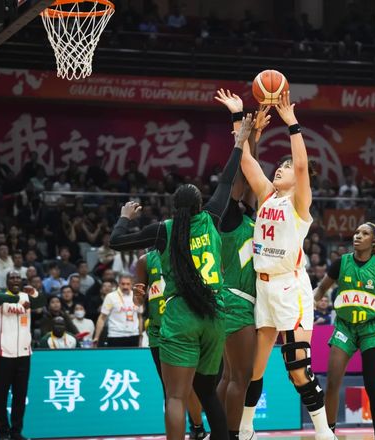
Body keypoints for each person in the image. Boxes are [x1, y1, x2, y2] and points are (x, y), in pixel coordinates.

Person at [108, 115, 253, 440]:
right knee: (208, 391)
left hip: (181, 314)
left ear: (174, 208)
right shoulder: (212, 218)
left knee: (175, 397)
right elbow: (227, 181)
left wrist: (124, 218)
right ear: (201, 204)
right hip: (214, 315)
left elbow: (117, 242)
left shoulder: (164, 231)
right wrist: (240, 140)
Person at [239, 91, 336, 440]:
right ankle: (246, 427)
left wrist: (292, 123)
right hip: (262, 286)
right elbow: (245, 160)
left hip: (289, 287)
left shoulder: (300, 203)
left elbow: (301, 166)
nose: (280, 169)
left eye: (286, 167)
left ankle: (324, 432)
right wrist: (243, 124)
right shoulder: (267, 195)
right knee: (254, 368)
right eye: (278, 166)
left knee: (297, 369)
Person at [214, 90, 269, 440]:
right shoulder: (227, 220)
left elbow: (252, 177)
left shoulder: (245, 218)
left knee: (229, 377)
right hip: (234, 302)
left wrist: (255, 138)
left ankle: (219, 433)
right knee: (240, 377)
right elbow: (239, 178)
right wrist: (240, 127)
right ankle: (232, 434)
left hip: (235, 301)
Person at [314, 222, 375, 438]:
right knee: (332, 382)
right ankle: (329, 434)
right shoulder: (341, 263)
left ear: (374, 241)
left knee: (372, 385)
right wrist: (310, 302)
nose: (358, 236)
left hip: (371, 329)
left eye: (364, 233)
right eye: (356, 232)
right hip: (345, 327)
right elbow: (321, 289)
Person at [133, 251, 207, 439]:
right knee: (171, 390)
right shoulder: (145, 261)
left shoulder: (186, 250)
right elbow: (138, 300)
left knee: (189, 386)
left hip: (184, 327)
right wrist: (137, 295)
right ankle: (193, 430)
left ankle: (198, 426)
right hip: (159, 331)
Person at [0, 270, 46, 440]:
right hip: (3, 354)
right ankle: (3, 433)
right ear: (7, 281)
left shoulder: (26, 296)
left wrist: (33, 292)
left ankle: (16, 432)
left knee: (20, 396)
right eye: (12, 278)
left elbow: (42, 301)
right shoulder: (1, 298)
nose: (15, 280)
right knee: (1, 396)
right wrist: (18, 301)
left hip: (23, 354)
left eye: (18, 278)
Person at [93, 274, 142, 347]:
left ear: (132, 284)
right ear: (119, 284)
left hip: (134, 335)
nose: (125, 286)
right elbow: (102, 318)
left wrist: (140, 335)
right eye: (123, 284)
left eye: (128, 284)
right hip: (115, 335)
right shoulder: (111, 297)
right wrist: (96, 337)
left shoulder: (137, 296)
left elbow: (140, 317)